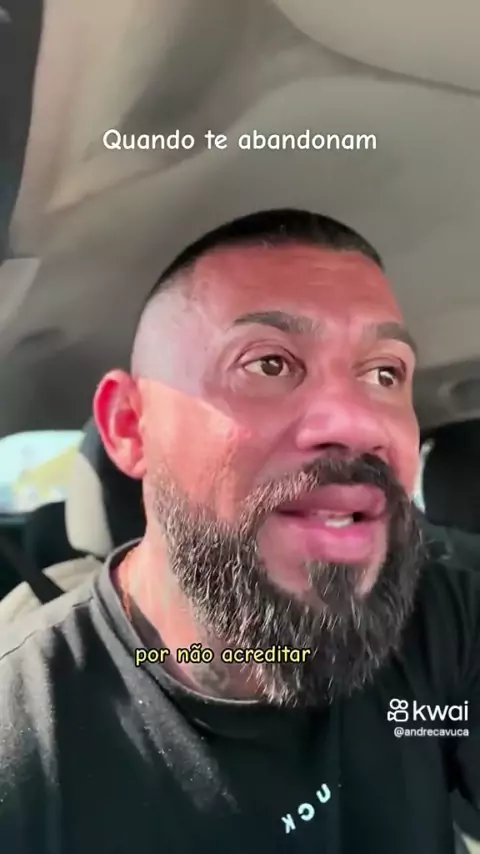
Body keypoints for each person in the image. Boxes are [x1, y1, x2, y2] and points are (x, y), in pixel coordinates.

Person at [0, 208, 478, 854]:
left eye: (384, 374)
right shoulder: (22, 738)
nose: (359, 422)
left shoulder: (444, 625)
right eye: (269, 364)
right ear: (131, 428)